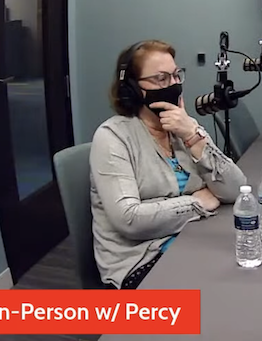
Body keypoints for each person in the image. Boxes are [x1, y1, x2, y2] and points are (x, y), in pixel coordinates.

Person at [90, 40, 248, 289]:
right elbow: (129, 220)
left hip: (191, 239)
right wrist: (198, 202)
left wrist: (192, 136)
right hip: (142, 262)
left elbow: (235, 189)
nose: (173, 85)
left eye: (176, 76)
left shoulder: (183, 127)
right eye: (161, 79)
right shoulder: (113, 137)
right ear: (132, 88)